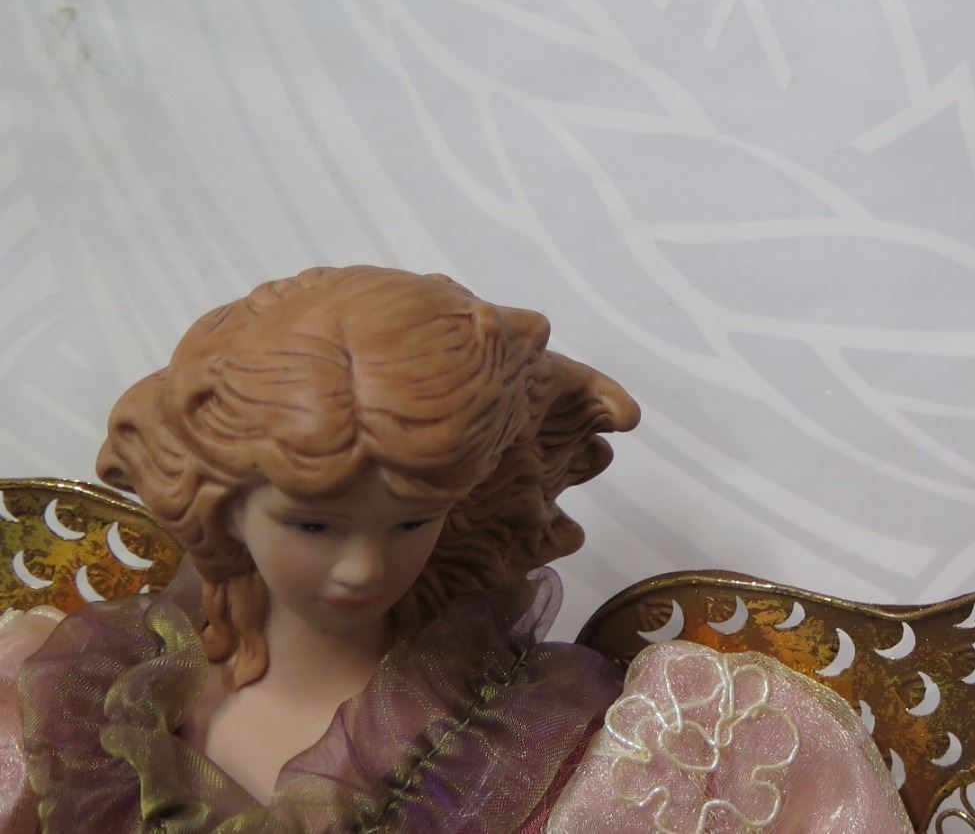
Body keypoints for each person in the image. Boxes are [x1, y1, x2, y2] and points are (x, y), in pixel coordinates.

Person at [0, 266, 910, 833]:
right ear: (221, 506)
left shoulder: (602, 750)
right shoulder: (66, 707)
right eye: (313, 525)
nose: (364, 567)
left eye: (410, 523)